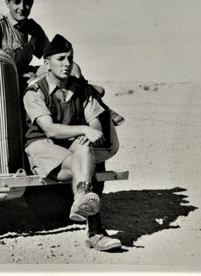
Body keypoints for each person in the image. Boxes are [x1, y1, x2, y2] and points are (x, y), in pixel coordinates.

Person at [23, 34, 122, 251]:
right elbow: (50, 129)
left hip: (72, 148)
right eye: (61, 59)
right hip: (43, 146)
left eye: (70, 58)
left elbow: (95, 124)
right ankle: (95, 233)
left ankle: (81, 198)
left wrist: (89, 132)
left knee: (85, 150)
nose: (67, 64)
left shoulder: (82, 90)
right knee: (85, 163)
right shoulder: (34, 92)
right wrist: (84, 130)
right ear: (47, 64)